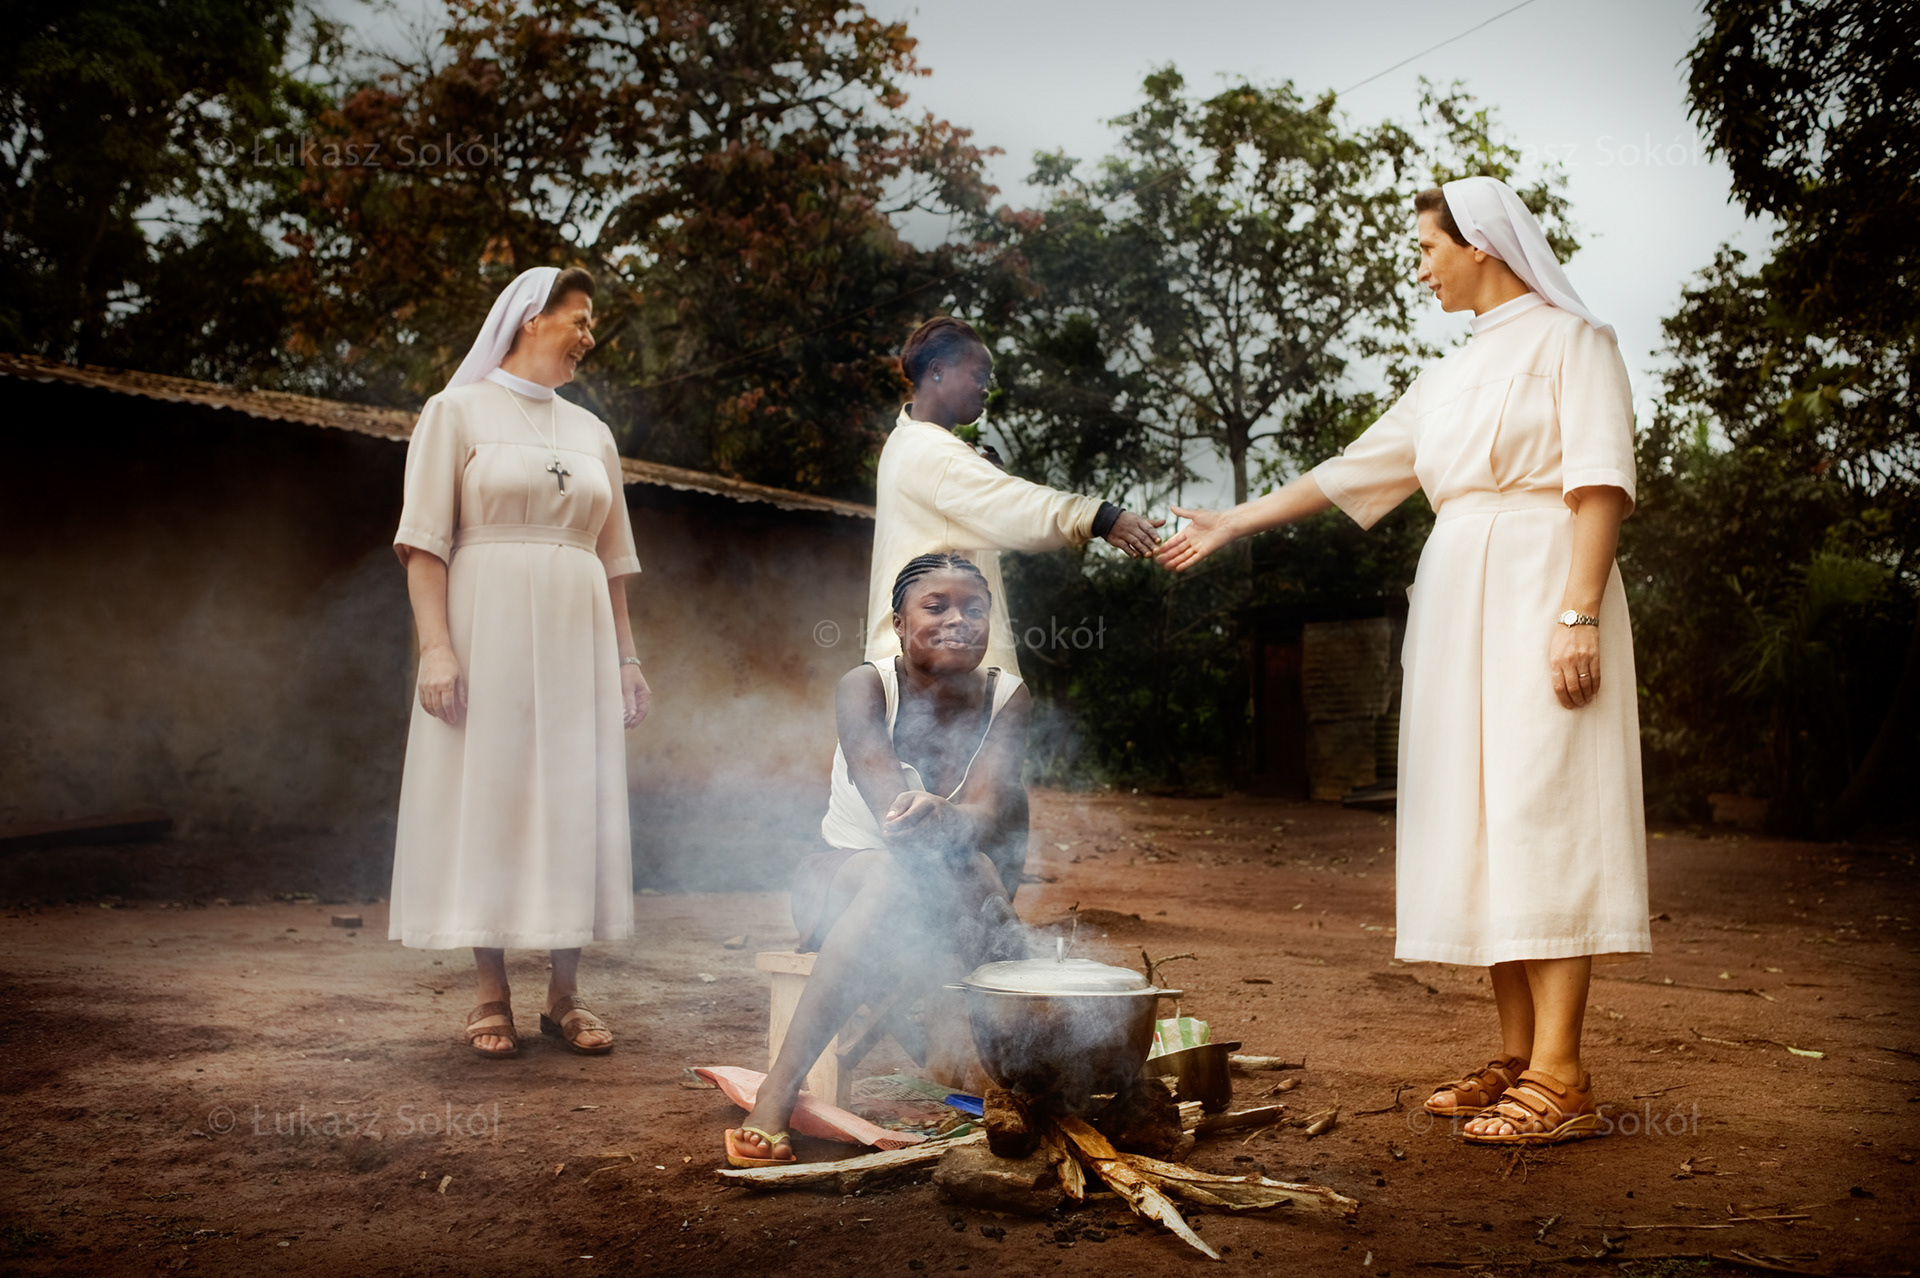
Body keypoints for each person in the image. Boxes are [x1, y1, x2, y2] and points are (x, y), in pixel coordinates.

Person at [1155, 177, 1648, 1146]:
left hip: (1546, 587)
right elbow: (1350, 470)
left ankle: (1564, 1072)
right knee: (1481, 815)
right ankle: (1515, 1058)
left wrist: (1579, 613)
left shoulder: (1576, 342)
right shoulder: (1451, 375)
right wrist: (1232, 520)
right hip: (1460, 597)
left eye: (1428, 247)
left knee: (1544, 808)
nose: (1420, 266)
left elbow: (1601, 485)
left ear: (1482, 246)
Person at [390, 265, 651, 1058]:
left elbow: (614, 561)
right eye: (579, 318)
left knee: (573, 792)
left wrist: (628, 660)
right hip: (486, 627)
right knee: (492, 788)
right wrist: (437, 647)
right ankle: (490, 991)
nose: (589, 335)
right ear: (531, 318)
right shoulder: (455, 412)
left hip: (581, 637)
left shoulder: (592, 433)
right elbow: (423, 546)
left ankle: (565, 994)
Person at [725, 554, 1031, 1167]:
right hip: (844, 876)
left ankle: (1031, 1086)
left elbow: (990, 810)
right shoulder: (866, 687)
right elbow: (896, 824)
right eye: (935, 607)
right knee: (920, 874)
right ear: (898, 621)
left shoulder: (1008, 697)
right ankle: (777, 1094)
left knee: (979, 869)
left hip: (946, 889)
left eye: (975, 609)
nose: (958, 621)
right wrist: (950, 828)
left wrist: (957, 821)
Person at [867, 316, 1164, 678]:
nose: (985, 389)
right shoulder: (931, 450)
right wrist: (1099, 517)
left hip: (914, 673)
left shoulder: (905, 442)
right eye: (978, 376)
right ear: (938, 370)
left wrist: (977, 468)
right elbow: (1013, 505)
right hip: (934, 679)